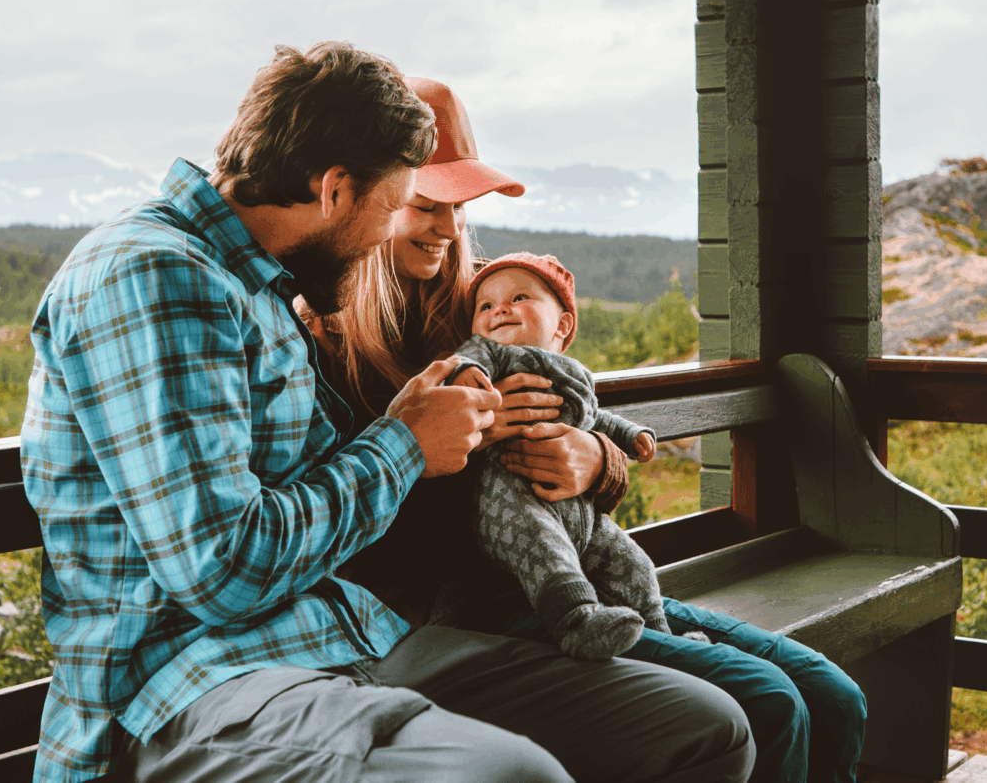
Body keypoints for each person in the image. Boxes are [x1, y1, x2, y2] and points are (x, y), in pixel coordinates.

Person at [20, 45, 753, 783]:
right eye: (396, 204)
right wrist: (403, 442)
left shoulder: (261, 287)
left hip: (346, 634)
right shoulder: (156, 274)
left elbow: (323, 480)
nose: (386, 235)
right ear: (335, 188)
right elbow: (222, 572)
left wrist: (452, 426)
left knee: (705, 731)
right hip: (193, 679)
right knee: (510, 778)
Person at [309, 76, 867, 783]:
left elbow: (580, 415)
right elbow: (360, 536)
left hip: (580, 576)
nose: (449, 231)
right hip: (486, 613)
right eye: (425, 206)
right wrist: (451, 448)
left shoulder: (482, 303)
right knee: (769, 702)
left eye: (460, 208)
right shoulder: (331, 345)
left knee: (834, 696)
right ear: (377, 199)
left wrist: (596, 459)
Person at [449, 251, 710, 659]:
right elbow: (463, 362)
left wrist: (627, 436)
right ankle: (576, 621)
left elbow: (594, 418)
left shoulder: (574, 373)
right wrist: (464, 377)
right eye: (486, 305)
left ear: (563, 324)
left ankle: (662, 631)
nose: (500, 309)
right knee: (542, 547)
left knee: (633, 561)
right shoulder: (494, 355)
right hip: (509, 495)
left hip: (580, 512)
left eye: (519, 299)